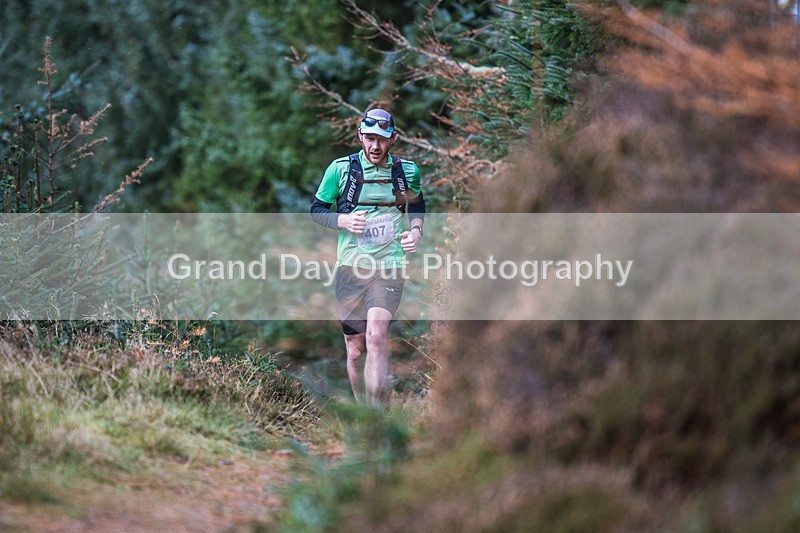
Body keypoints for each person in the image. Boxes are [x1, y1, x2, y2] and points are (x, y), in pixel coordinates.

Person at [310, 108, 425, 406]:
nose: (375, 146)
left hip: (389, 266)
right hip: (350, 269)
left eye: (382, 140)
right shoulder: (339, 169)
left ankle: (377, 417)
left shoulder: (407, 171)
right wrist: (343, 221)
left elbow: (417, 204)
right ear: (360, 136)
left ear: (393, 139)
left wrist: (416, 231)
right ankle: (361, 412)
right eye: (370, 138)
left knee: (376, 338)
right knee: (355, 349)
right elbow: (317, 210)